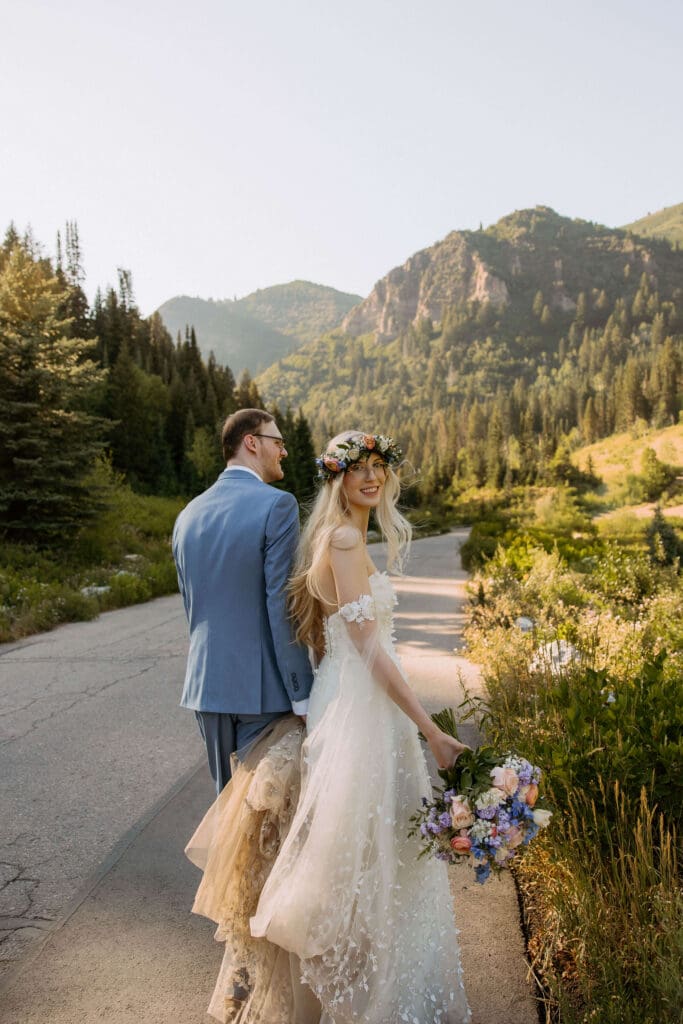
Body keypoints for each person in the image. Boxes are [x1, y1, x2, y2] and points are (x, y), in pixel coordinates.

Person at [186, 429, 470, 1024]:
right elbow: (366, 645)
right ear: (337, 477)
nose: (371, 477)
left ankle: (352, 998)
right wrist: (430, 728)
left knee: (366, 859)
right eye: (357, 468)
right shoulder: (342, 538)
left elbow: (328, 635)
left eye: (378, 468)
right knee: (349, 867)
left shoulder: (341, 536)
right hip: (361, 710)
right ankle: (343, 1003)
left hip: (356, 701)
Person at [173, 408, 314, 793]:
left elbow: (192, 607)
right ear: (251, 443)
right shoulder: (277, 505)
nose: (283, 451)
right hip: (262, 691)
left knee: (226, 811)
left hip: (206, 689)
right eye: (278, 442)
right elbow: (280, 604)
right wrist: (301, 694)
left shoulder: (187, 514)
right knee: (266, 823)